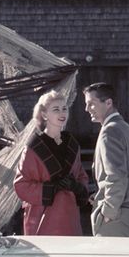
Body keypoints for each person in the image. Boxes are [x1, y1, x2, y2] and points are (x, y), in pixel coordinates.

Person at [13, 91, 90, 235]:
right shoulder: (33, 147)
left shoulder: (72, 144)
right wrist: (51, 188)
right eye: (56, 109)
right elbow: (21, 185)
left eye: (64, 108)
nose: (62, 113)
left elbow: (82, 176)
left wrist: (76, 186)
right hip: (42, 219)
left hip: (70, 217)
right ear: (44, 114)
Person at [83, 82, 129, 237]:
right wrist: (100, 194)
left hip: (117, 220)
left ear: (109, 103)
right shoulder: (127, 128)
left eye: (91, 104)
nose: (87, 109)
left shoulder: (109, 132)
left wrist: (108, 212)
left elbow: (116, 177)